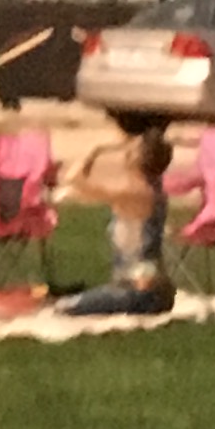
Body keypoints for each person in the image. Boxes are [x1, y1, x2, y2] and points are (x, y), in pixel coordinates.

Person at [57, 123, 175, 315]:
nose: (126, 152)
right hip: (142, 287)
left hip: (141, 292)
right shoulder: (147, 188)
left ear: (139, 158)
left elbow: (74, 178)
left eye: (133, 150)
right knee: (68, 300)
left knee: (64, 308)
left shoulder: (135, 193)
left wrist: (94, 150)